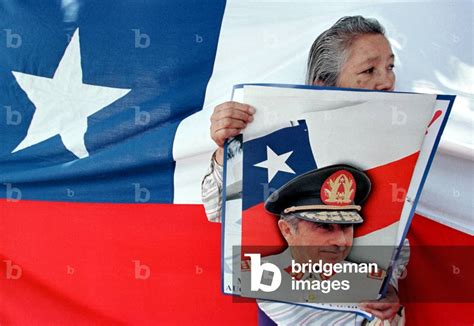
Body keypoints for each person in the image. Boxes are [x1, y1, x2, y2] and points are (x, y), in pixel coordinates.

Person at [202, 16, 408, 323]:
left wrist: (388, 287)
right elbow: (217, 208)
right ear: (324, 86)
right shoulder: (281, 136)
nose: (387, 81)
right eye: (369, 70)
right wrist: (225, 147)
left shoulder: (399, 146)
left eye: (390, 67)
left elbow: (396, 244)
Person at [245, 164, 404, 325]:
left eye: (346, 226)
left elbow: (400, 246)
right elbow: (223, 210)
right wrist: (222, 155)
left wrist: (388, 287)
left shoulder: (367, 275)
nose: (341, 241)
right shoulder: (258, 272)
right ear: (287, 230)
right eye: (324, 226)